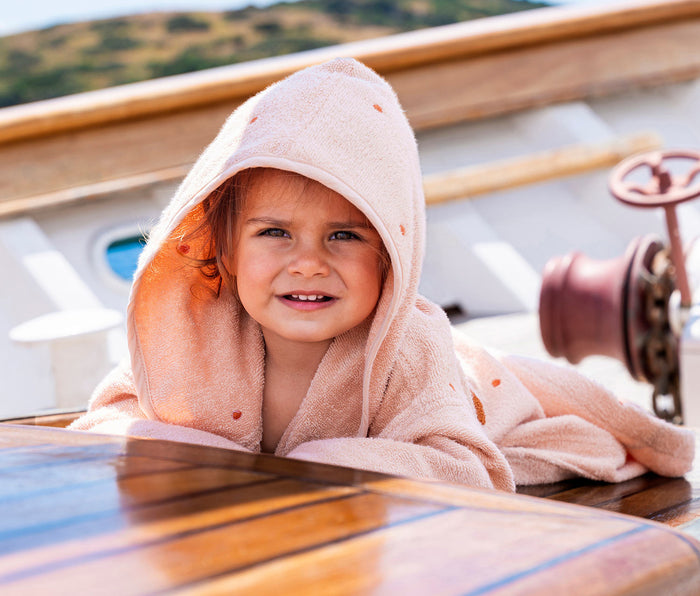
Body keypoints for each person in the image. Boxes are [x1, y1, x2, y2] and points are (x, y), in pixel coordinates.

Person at [71, 57, 693, 491]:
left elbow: (466, 469)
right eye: (274, 233)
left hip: (477, 388)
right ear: (226, 253)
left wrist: (326, 464)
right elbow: (105, 423)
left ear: (392, 257)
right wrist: (204, 458)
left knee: (558, 417)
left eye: (345, 235)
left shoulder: (410, 352)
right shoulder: (191, 332)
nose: (307, 262)